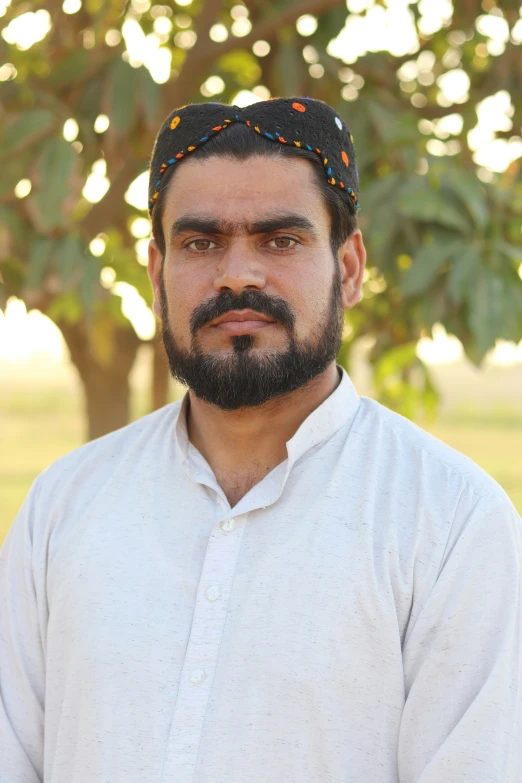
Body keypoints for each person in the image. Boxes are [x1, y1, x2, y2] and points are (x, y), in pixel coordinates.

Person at [1, 97, 520, 783]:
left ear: (352, 266)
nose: (238, 274)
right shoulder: (62, 509)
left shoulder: (452, 524)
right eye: (201, 242)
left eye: (281, 239)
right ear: (156, 273)